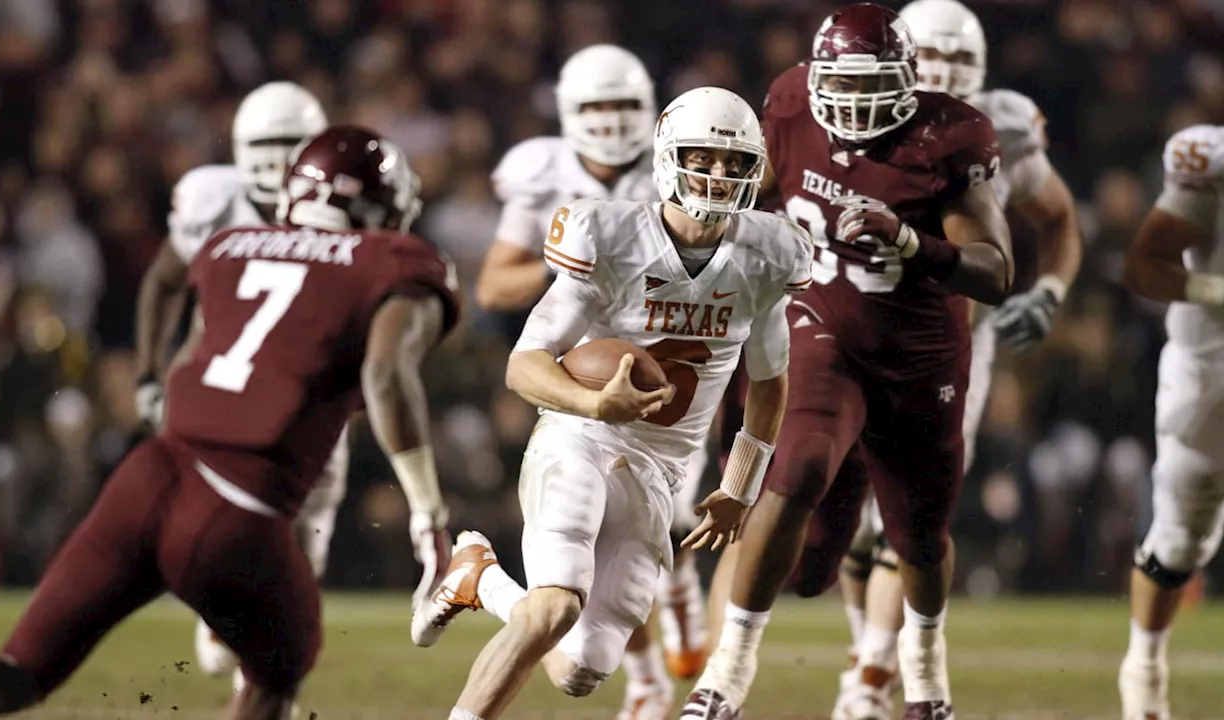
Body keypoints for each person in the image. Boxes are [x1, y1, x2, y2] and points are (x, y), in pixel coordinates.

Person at [0, 126, 460, 720]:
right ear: (380, 205)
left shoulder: (230, 245)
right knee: (280, 669)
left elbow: (194, 351)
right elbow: (387, 376)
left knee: (20, 674)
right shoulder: (392, 261)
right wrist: (428, 513)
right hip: (236, 511)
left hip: (147, 477)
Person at [413, 86, 813, 720]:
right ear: (667, 157)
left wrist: (740, 486)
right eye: (702, 158)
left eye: (734, 163)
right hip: (581, 437)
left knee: (579, 670)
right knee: (554, 606)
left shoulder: (769, 254)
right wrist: (592, 405)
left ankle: (478, 576)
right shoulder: (611, 234)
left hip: (664, 467)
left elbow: (769, 380)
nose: (717, 175)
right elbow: (525, 364)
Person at [680, 5, 1012, 719]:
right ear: (817, 77)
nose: (856, 105)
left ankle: (925, 676)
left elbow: (995, 270)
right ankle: (726, 676)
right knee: (795, 467)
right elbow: (756, 195)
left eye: (873, 88)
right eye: (844, 86)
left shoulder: (947, 136)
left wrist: (916, 245)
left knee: (919, 539)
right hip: (822, 323)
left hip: (922, 354)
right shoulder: (791, 103)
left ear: (907, 80)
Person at [133, 82, 453, 686]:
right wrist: (149, 372)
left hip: (305, 396)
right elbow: (163, 281)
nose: (278, 160)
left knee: (304, 545)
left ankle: (254, 662)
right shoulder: (217, 203)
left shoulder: (335, 203)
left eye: (290, 145)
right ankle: (229, 611)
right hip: (224, 392)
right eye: (265, 145)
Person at [826, 1, 1084, 716]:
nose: (940, 77)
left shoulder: (998, 124)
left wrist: (1053, 289)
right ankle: (865, 661)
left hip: (950, 338)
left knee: (907, 513)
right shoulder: (840, 112)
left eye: (955, 64)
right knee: (846, 508)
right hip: (849, 330)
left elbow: (1059, 213)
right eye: (928, 60)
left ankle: (873, 679)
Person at [475, 43, 711, 717]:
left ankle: (678, 585)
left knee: (667, 517)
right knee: (603, 537)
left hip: (671, 361)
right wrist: (588, 265)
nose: (610, 120)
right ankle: (643, 677)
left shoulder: (677, 163)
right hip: (584, 373)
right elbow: (494, 284)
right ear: (570, 112)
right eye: (597, 106)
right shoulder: (542, 170)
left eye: (623, 105)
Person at [1119, 122, 1224, 720]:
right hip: (1212, 372)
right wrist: (1218, 289)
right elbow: (1144, 264)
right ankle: (1146, 666)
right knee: (1184, 536)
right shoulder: (1209, 161)